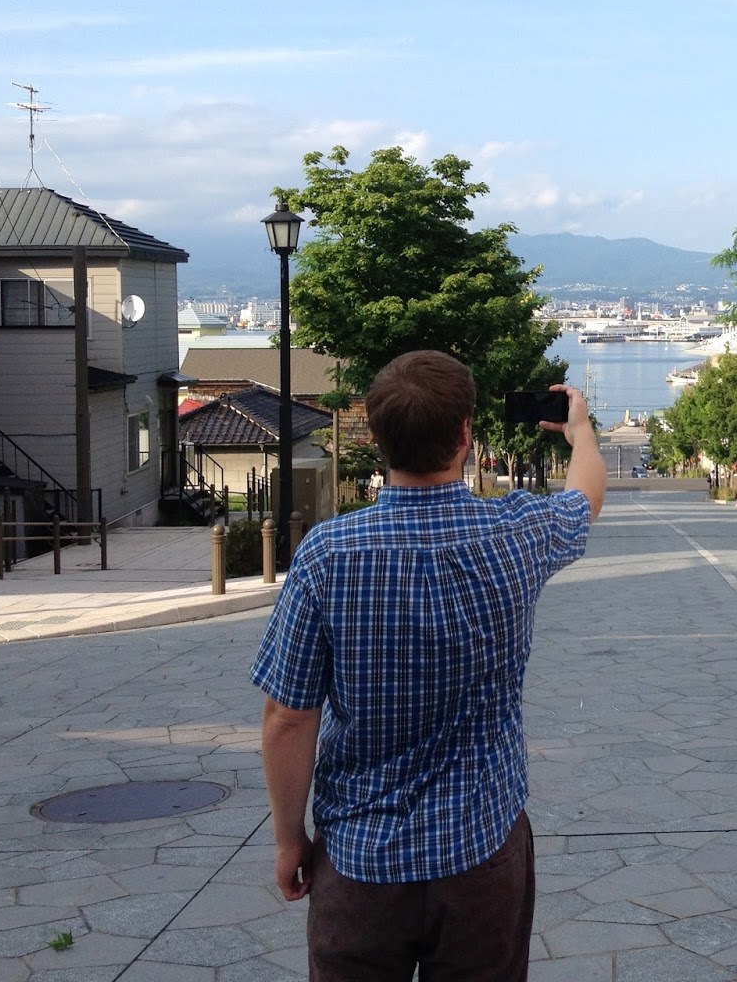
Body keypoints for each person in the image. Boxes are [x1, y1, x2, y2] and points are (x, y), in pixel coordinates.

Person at [251, 351, 605, 981]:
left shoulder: (328, 554)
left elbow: (287, 717)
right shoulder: (514, 530)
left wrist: (288, 840)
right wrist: (580, 432)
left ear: (378, 436)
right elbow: (585, 501)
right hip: (482, 850)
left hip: (361, 862)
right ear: (466, 434)